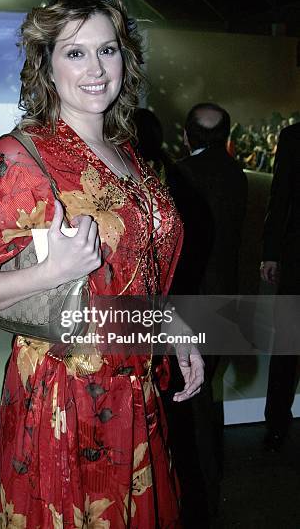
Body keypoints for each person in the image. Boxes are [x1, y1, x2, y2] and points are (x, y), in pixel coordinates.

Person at [0, 0, 204, 528]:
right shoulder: (19, 156)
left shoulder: (128, 152)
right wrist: (51, 272)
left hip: (134, 384)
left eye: (107, 50)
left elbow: (140, 264)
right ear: (46, 63)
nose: (95, 68)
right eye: (75, 52)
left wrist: (173, 325)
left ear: (124, 59)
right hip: (65, 393)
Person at [167, 103, 247, 527]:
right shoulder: (237, 175)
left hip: (188, 308)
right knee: (204, 398)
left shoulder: (178, 176)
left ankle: (197, 503)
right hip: (225, 303)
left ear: (186, 135)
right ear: (227, 137)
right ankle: (206, 494)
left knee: (188, 406)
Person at [260, 121, 300, 450]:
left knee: (287, 343)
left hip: (295, 253)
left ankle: (276, 424)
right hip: (296, 255)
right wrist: (271, 253)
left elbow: (280, 196)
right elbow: (281, 196)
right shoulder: (292, 136)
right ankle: (275, 421)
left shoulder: (292, 136)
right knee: (287, 343)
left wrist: (271, 254)